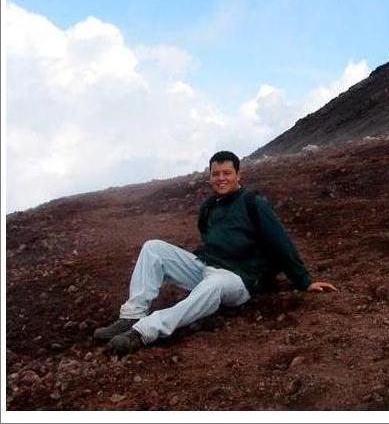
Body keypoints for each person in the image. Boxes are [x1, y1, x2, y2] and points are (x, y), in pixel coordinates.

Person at [94, 150, 336, 355]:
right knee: (153, 247)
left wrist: (304, 281)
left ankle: (144, 331)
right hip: (207, 267)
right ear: (210, 176)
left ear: (238, 175)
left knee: (213, 285)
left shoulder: (254, 203)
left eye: (227, 173)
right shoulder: (210, 206)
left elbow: (280, 242)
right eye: (216, 174)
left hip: (238, 278)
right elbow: (207, 236)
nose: (221, 178)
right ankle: (132, 316)